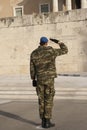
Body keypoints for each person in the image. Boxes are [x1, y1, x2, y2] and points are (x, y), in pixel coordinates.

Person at [30, 37, 68, 128]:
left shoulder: (34, 53)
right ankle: (47, 121)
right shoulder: (51, 51)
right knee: (48, 100)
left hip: (40, 79)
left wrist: (33, 79)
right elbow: (65, 50)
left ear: (40, 43)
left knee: (41, 100)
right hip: (49, 79)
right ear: (46, 43)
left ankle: (43, 121)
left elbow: (32, 68)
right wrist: (59, 42)